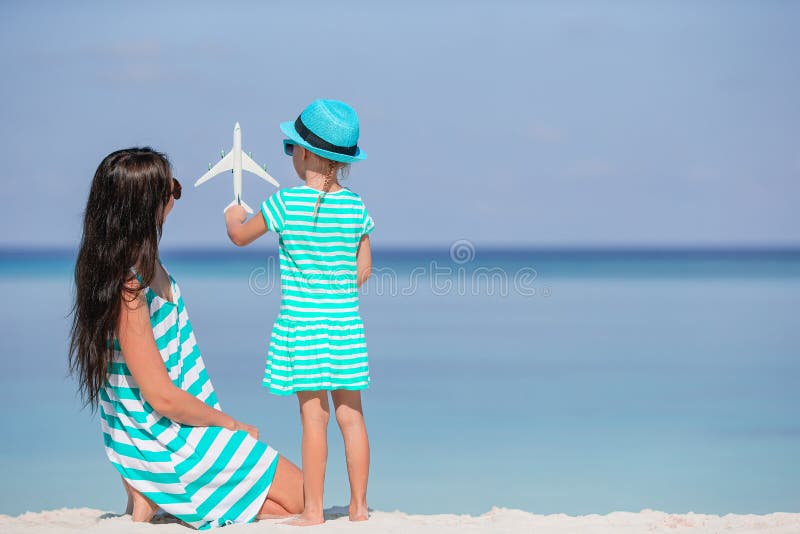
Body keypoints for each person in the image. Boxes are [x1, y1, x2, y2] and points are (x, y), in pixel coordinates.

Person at [68, 147, 304, 529]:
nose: (176, 197)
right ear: (145, 204)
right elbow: (159, 395)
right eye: (171, 189)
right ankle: (159, 490)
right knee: (304, 498)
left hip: (176, 430)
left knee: (285, 505)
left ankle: (166, 499)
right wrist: (230, 424)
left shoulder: (146, 264)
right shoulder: (129, 286)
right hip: (167, 439)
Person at [224, 99, 374, 526]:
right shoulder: (356, 208)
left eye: (291, 148)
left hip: (304, 325)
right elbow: (363, 268)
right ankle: (360, 508)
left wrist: (233, 214)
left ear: (306, 154)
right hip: (345, 325)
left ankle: (313, 511)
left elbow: (239, 236)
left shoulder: (283, 204)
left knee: (314, 417)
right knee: (352, 416)